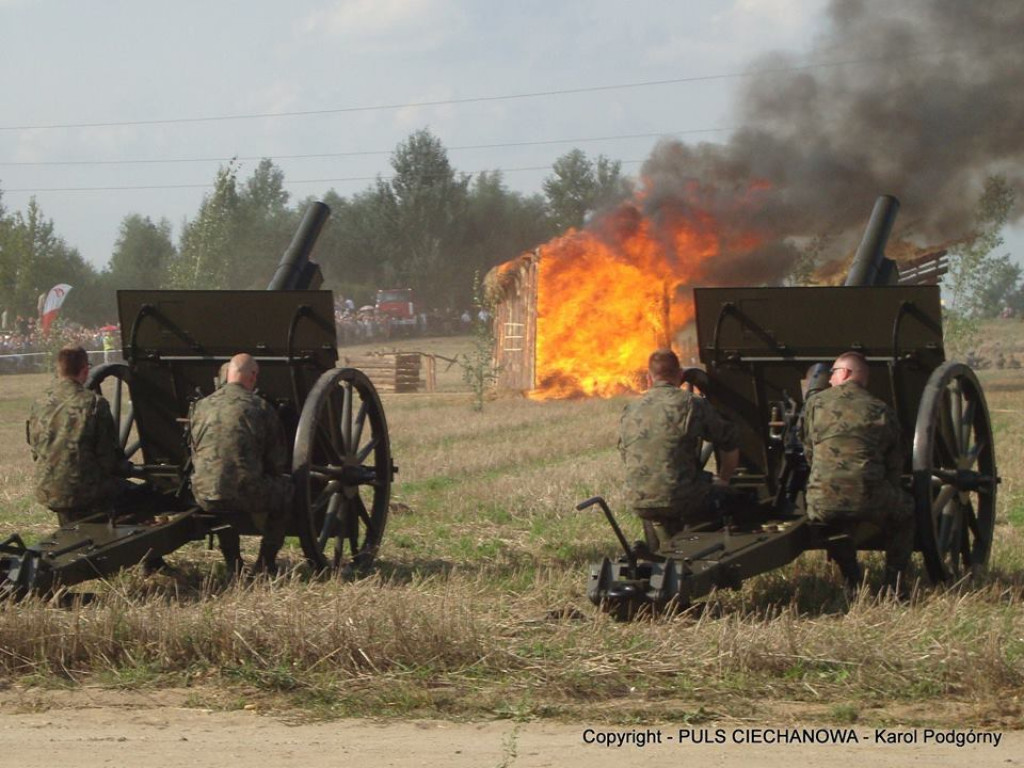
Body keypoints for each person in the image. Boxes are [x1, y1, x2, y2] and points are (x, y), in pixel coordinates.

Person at [800, 351, 914, 591]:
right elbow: (895, 461)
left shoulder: (814, 404)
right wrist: (888, 488)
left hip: (822, 499)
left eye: (832, 373)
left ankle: (852, 579)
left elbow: (808, 450)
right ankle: (894, 584)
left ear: (845, 373)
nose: (830, 380)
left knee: (831, 522)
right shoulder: (880, 408)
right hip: (870, 495)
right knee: (907, 513)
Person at [618, 348, 747, 552]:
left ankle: (661, 549)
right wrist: (724, 479)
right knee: (737, 498)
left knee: (656, 500)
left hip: (639, 500)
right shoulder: (691, 403)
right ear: (679, 375)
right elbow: (729, 440)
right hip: (683, 498)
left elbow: (625, 453)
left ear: (649, 378)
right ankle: (714, 551)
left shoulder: (630, 409)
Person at [189, 353, 293, 575]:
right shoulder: (260, 407)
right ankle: (266, 563)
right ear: (253, 376)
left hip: (203, 493)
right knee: (286, 490)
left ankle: (233, 564)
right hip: (247, 493)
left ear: (227, 375)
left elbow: (194, 450)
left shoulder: (200, 406)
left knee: (221, 495)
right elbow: (277, 463)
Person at [26, 345, 124, 525]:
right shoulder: (94, 403)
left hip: (48, 489)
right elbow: (107, 459)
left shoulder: (39, 403)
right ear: (86, 370)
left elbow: (35, 450)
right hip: (86, 493)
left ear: (59, 369)